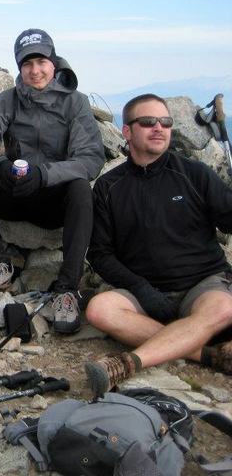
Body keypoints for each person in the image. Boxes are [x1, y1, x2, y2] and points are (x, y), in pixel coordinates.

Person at [84, 93, 232, 396]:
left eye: (165, 122)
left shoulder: (194, 174)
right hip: (145, 289)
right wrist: (141, 289)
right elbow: (100, 254)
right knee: (99, 309)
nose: (159, 128)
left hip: (203, 283)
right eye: (148, 121)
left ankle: (129, 363)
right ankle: (207, 354)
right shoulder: (108, 187)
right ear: (127, 131)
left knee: (223, 308)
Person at [0, 28, 104, 334]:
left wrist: (46, 174)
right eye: (27, 64)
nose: (35, 71)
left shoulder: (75, 102)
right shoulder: (7, 101)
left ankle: (66, 289)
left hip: (53, 200)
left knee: (81, 190)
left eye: (41, 61)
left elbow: (90, 159)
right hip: (16, 191)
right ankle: (0, 264)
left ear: (54, 63)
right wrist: (0, 167)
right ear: (19, 67)